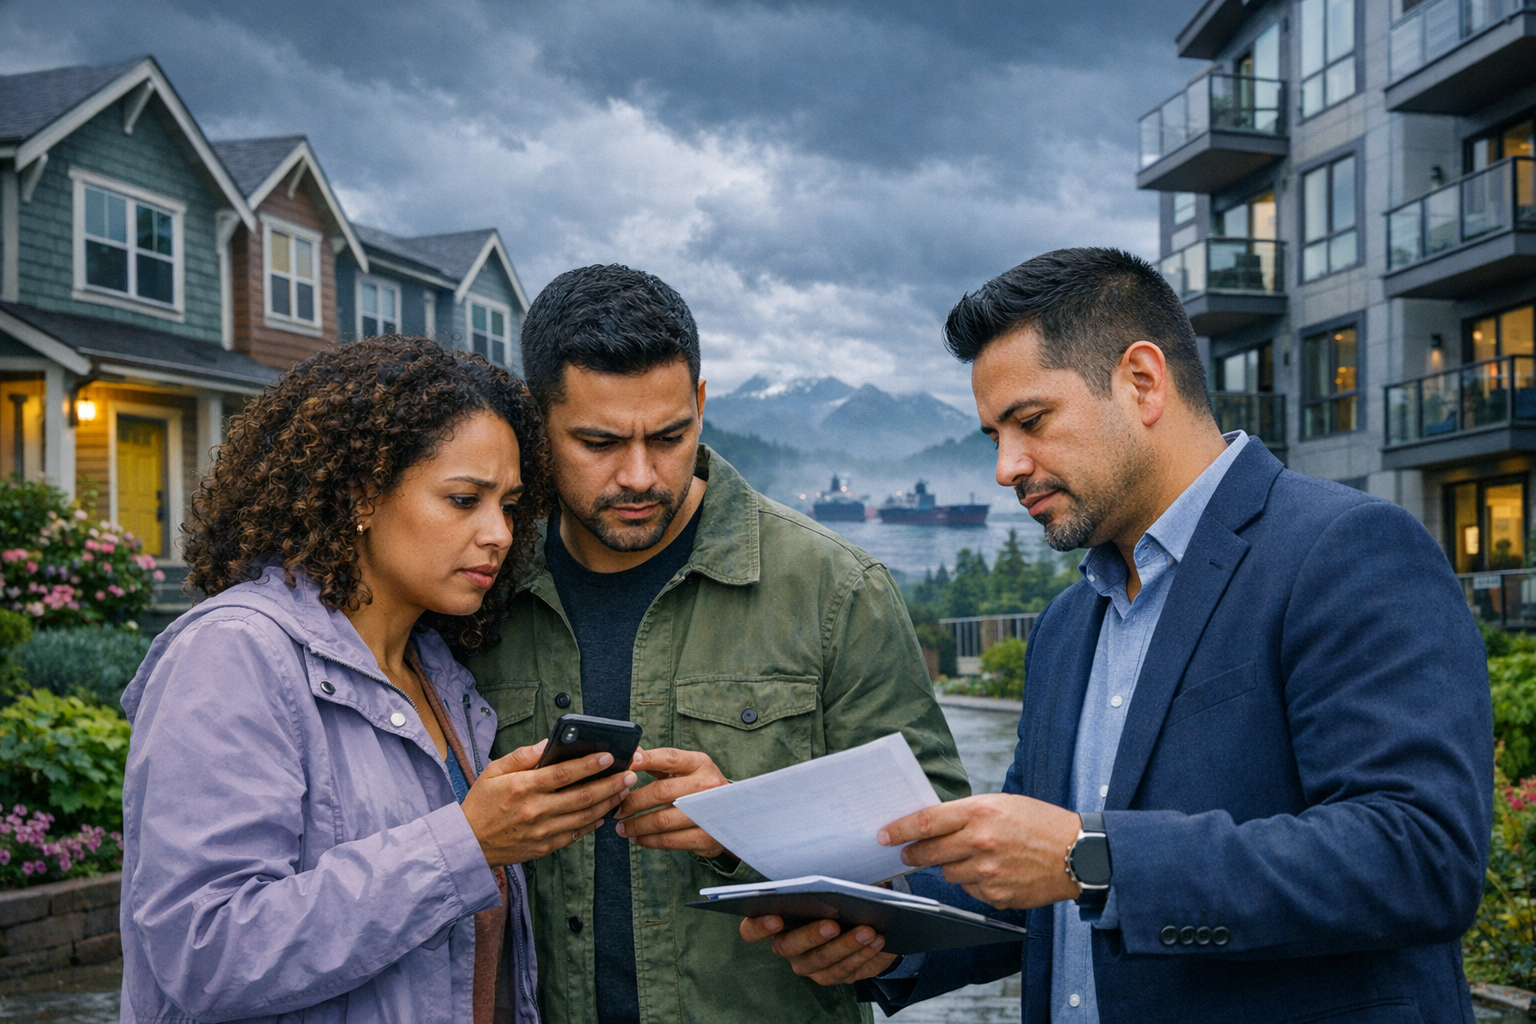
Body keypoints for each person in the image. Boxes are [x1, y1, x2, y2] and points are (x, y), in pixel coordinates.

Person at [741, 248, 1495, 1023]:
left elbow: (1420, 856)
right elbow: (1039, 887)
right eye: (994, 436)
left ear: (1142, 381)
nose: (1006, 467)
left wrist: (1090, 858)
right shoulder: (1066, 627)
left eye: (1030, 422)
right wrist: (882, 932)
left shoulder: (1347, 550)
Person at [467, 263, 969, 1024]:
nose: (640, 475)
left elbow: (943, 858)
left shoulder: (836, 589)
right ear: (536, 423)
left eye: (670, 437)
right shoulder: (478, 592)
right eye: (599, 442)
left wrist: (744, 831)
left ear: (701, 405)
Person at [119, 337, 639, 1024]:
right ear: (363, 495)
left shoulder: (441, 675)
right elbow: (203, 952)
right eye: (464, 499)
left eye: (510, 505)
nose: (500, 534)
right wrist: (466, 844)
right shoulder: (236, 653)